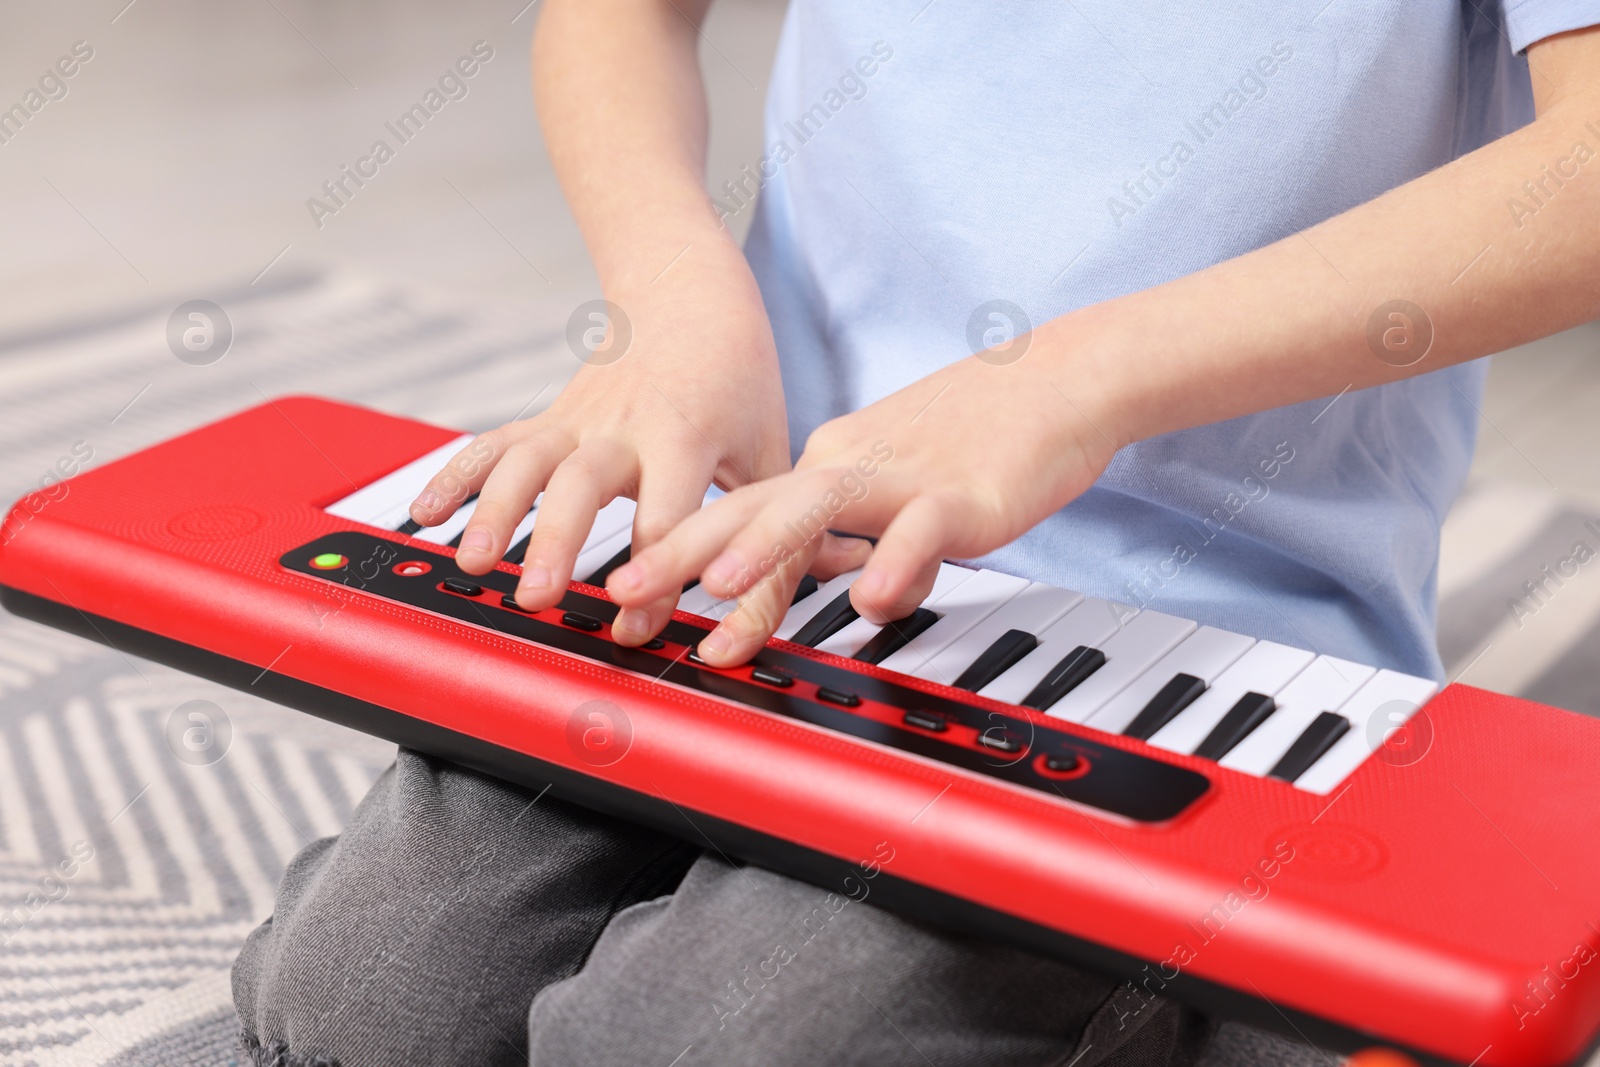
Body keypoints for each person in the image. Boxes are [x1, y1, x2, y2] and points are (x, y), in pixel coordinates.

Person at [233, 2, 1600, 1065]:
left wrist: (1073, 383)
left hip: (1200, 647)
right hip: (752, 556)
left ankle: (1271, 1008)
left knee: (690, 1045)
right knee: (359, 1005)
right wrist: (672, 293)